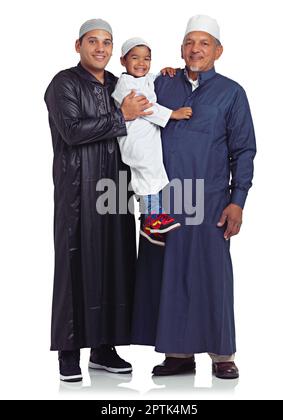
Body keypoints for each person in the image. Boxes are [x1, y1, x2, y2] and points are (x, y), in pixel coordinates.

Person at [132, 15, 256, 379]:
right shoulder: (164, 85)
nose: (196, 49)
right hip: (164, 198)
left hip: (211, 199)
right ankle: (178, 353)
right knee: (167, 273)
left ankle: (222, 354)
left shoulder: (231, 92)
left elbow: (244, 150)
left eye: (204, 43)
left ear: (217, 50)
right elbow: (133, 95)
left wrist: (238, 200)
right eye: (189, 43)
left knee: (211, 274)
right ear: (181, 50)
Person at [44, 19, 153, 382]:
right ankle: (69, 352)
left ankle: (104, 348)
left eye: (107, 43)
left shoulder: (117, 84)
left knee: (116, 263)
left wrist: (168, 71)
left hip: (117, 187)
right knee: (76, 265)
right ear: (79, 46)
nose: (101, 48)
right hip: (78, 189)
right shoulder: (64, 84)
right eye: (93, 41)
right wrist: (120, 115)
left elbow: (149, 89)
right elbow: (72, 132)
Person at [112, 38, 193, 246]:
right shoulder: (125, 84)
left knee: (152, 175)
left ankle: (152, 223)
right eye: (135, 58)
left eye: (146, 59)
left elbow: (151, 78)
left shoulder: (143, 78)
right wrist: (173, 114)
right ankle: (153, 218)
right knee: (147, 175)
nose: (141, 63)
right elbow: (145, 106)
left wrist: (164, 71)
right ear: (122, 61)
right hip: (136, 140)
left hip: (148, 138)